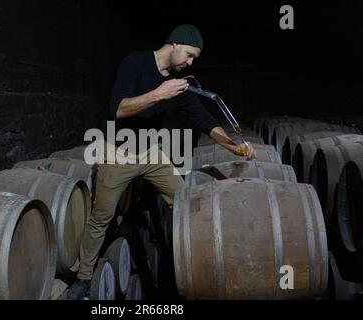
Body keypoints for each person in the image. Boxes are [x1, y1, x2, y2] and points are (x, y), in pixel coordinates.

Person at [67, 24, 256, 299]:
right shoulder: (135, 63)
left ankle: (194, 265)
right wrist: (159, 93)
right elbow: (117, 108)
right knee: (101, 217)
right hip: (117, 152)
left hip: (153, 153)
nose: (190, 62)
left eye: (194, 59)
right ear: (175, 43)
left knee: (183, 202)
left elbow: (204, 120)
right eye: (190, 55)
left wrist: (233, 147)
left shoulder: (181, 85)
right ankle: (83, 278)